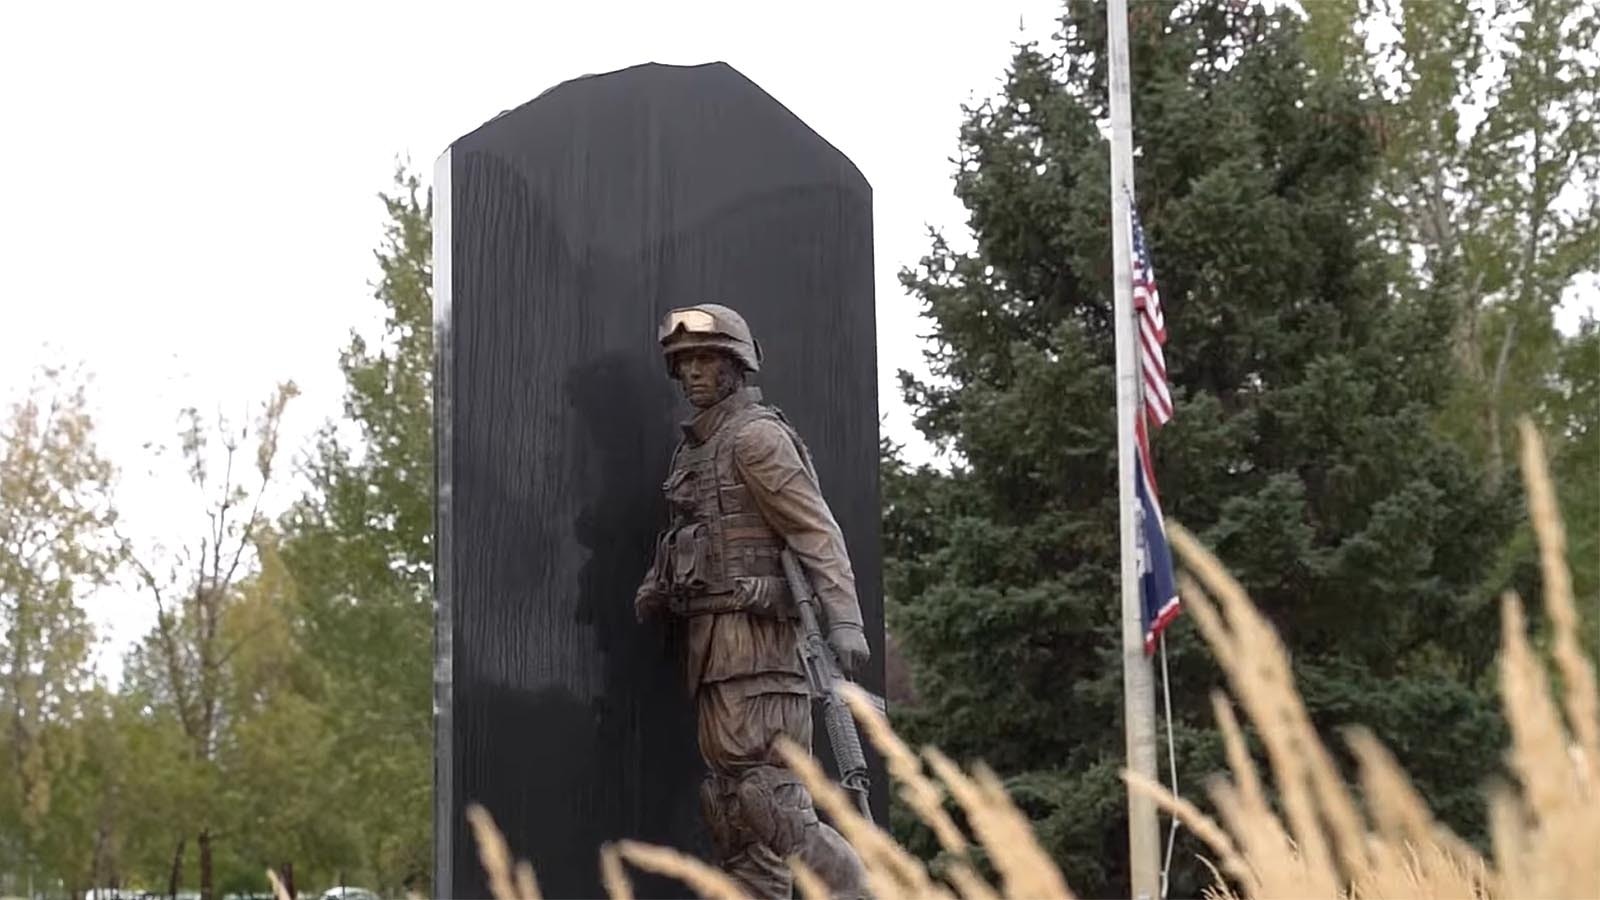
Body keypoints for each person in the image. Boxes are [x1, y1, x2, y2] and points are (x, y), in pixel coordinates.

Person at [634, 303, 870, 899]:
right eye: (684, 362)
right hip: (712, 652)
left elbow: (816, 532)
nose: (692, 373)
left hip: (763, 651)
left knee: (774, 805)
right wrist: (658, 587)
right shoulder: (694, 451)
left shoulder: (756, 437)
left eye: (706, 360)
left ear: (737, 365)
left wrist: (845, 621)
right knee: (735, 814)